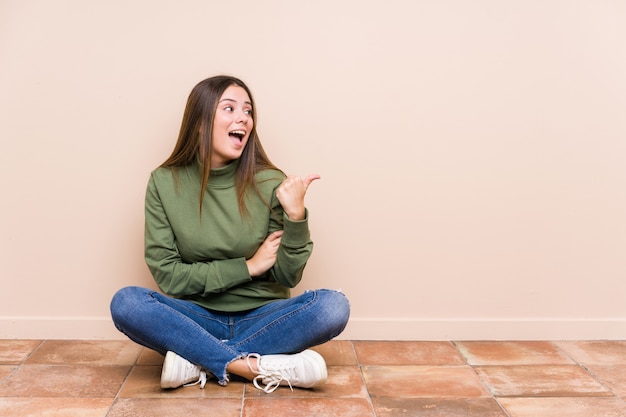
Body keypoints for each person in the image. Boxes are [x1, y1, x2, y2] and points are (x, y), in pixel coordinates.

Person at [110, 75, 350, 393]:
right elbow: (168, 277)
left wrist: (296, 217)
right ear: (199, 122)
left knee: (333, 306)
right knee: (127, 302)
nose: (243, 118)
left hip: (264, 316)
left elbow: (288, 277)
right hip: (195, 317)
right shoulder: (164, 182)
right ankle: (253, 367)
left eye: (248, 111)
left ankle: (198, 359)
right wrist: (248, 266)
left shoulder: (269, 181)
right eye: (230, 108)